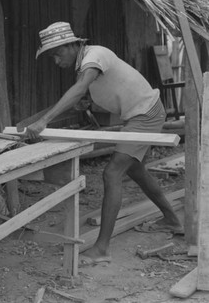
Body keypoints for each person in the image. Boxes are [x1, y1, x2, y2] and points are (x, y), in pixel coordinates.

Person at [25, 22, 183, 266]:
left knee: (111, 174)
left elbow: (78, 89)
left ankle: (101, 249)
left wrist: (43, 120)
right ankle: (172, 219)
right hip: (138, 114)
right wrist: (87, 103)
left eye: (58, 54)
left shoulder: (95, 55)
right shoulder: (86, 66)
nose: (56, 61)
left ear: (72, 45)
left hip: (146, 114)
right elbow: (101, 91)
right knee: (136, 171)